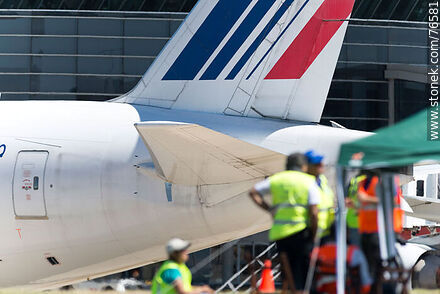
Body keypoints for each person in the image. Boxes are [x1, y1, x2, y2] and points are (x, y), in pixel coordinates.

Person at [249, 153, 320, 294]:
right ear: (303, 166)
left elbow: (253, 192)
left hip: (281, 234)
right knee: (303, 273)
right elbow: (313, 211)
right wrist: (315, 232)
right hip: (301, 232)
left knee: (289, 272)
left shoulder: (278, 179)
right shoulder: (308, 181)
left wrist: (269, 209)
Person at [357, 172, 403, 291]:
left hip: (382, 231)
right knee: (370, 267)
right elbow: (364, 205)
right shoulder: (363, 181)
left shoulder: (386, 178)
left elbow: (392, 200)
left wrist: (366, 199)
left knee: (380, 267)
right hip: (367, 231)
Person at [311, 227, 372, 294]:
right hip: (347, 290)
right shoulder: (354, 252)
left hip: (323, 289)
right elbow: (366, 281)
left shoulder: (316, 252)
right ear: (346, 234)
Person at [304, 150, 335, 243]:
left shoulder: (322, 179)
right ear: (307, 166)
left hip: (327, 231)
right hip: (313, 233)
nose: (321, 164)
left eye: (321, 161)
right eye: (317, 163)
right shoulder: (305, 181)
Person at [345, 174, 366, 247]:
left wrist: (355, 205)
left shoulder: (368, 180)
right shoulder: (354, 180)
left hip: (364, 223)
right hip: (353, 223)